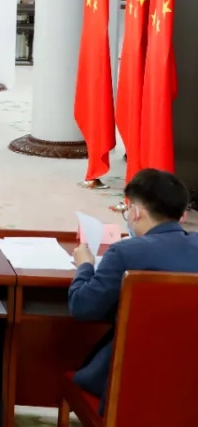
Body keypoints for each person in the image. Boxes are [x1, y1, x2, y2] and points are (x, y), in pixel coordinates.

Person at [68, 169, 198, 406]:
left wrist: (85, 266)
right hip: (189, 388)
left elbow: (82, 307)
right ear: (182, 215)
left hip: (128, 387)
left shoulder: (125, 252)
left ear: (136, 212)